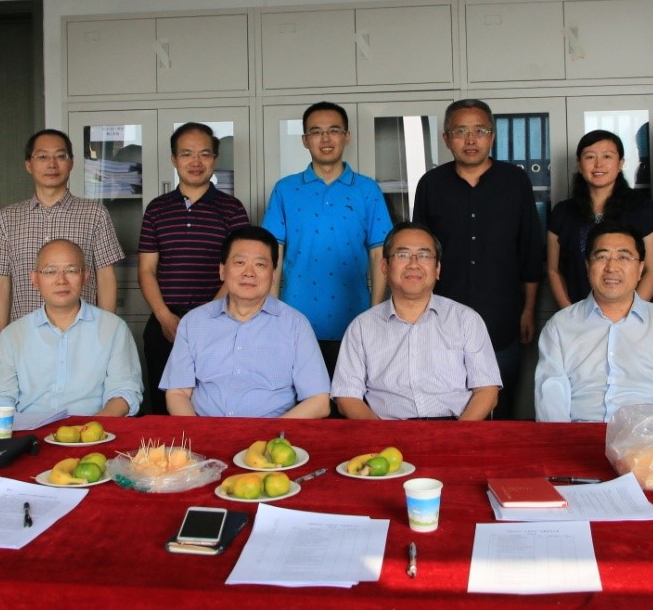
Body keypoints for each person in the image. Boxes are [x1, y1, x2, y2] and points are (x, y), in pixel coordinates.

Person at [413, 98, 543, 418]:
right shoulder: (431, 185)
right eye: (461, 131)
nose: (470, 140)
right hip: (442, 321)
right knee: (444, 409)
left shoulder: (515, 181)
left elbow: (529, 249)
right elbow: (419, 253)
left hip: (502, 318)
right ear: (447, 138)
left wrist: (528, 311)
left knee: (502, 408)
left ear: (492, 136)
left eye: (479, 131)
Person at [534, 222, 653, 422]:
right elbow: (550, 399)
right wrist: (563, 440)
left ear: (640, 269)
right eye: (602, 257)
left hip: (650, 437)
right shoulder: (560, 327)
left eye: (624, 257)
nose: (611, 267)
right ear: (588, 265)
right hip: (581, 434)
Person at [263, 102, 393, 376]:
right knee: (300, 398)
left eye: (334, 130)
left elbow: (379, 254)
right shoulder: (285, 189)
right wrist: (273, 315)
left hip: (355, 319)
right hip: (294, 318)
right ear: (304, 140)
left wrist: (376, 315)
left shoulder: (367, 189)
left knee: (351, 397)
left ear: (347, 137)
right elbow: (272, 255)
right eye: (316, 132)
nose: (325, 139)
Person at [331, 223, 501, 421]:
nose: (413, 264)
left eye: (424, 255)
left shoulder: (466, 320)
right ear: (384, 267)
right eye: (403, 255)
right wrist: (382, 435)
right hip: (387, 429)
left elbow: (487, 391)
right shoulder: (361, 327)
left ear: (437, 269)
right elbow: (347, 396)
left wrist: (458, 434)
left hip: (454, 426)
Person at [160, 225, 330, 418]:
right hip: (204, 429)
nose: (249, 273)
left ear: (274, 275)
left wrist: (271, 432)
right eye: (240, 263)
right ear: (222, 270)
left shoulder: (296, 325)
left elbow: (319, 401)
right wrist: (196, 432)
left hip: (273, 433)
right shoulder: (193, 322)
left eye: (260, 265)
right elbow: (178, 392)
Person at [138, 122, 249, 415]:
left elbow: (238, 268)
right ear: (174, 159)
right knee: (165, 407)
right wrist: (164, 317)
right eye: (186, 154)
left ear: (215, 159)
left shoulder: (232, 209)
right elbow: (146, 270)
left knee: (213, 404)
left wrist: (206, 318)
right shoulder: (157, 209)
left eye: (204, 154)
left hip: (219, 320)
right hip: (165, 323)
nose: (195, 162)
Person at [0, 129, 124, 337]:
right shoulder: (7, 218)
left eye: (60, 156)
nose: (52, 164)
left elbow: (105, 278)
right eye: (42, 157)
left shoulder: (95, 214)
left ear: (71, 163)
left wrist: (104, 335)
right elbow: (0, 284)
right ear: (29, 165)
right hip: (26, 336)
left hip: (82, 335)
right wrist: (3, 339)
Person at [0, 239, 142, 417]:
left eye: (71, 270)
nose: (61, 280)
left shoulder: (113, 329)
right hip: (28, 430)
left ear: (85, 277)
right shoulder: (12, 336)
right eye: (50, 271)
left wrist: (89, 428)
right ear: (35, 279)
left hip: (94, 428)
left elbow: (124, 392)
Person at [548, 129, 653, 309]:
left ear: (620, 163)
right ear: (579, 164)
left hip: (629, 316)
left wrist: (628, 315)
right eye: (590, 157)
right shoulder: (562, 212)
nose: (598, 164)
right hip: (577, 315)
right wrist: (570, 314)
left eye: (607, 156)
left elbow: (652, 271)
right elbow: (554, 270)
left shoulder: (644, 210)